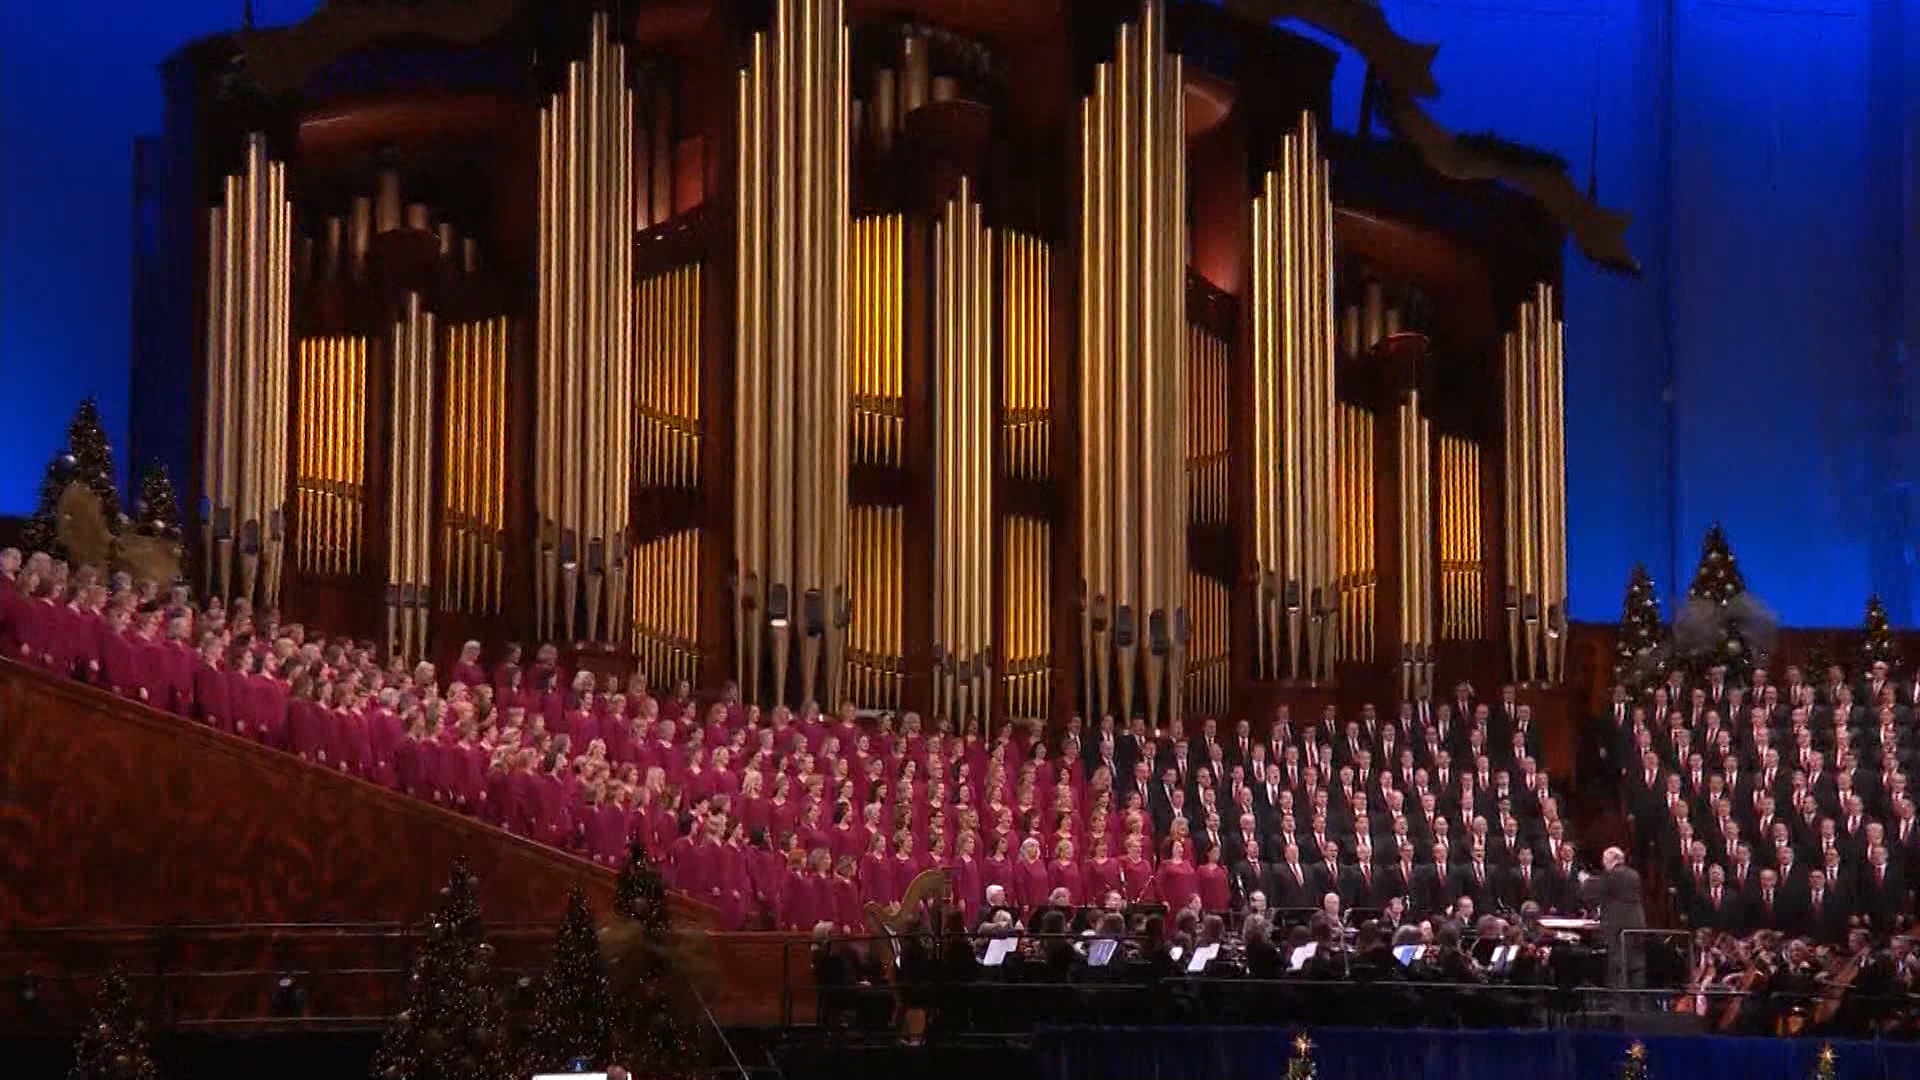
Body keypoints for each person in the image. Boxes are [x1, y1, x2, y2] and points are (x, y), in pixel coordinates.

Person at [1582, 845, 1647, 990]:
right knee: (1636, 962)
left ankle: (1619, 996)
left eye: (1605, 860)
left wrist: (1585, 881)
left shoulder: (1613, 875)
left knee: (1618, 962)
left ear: (1612, 859)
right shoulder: (1634, 874)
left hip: (1618, 925)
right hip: (1637, 923)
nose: (1603, 864)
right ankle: (1638, 996)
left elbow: (1592, 892)